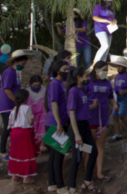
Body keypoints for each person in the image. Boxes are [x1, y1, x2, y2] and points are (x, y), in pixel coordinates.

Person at [66, 67, 101, 194]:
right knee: (77, 158)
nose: (88, 78)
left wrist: (93, 105)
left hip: (85, 126)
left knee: (93, 151)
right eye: (86, 76)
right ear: (79, 78)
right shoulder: (73, 91)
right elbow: (72, 114)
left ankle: (87, 181)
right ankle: (71, 188)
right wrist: (76, 135)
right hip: (77, 128)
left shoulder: (82, 90)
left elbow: (83, 107)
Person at [0, 50, 33, 161]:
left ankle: (11, 149)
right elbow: (7, 89)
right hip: (7, 105)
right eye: (22, 64)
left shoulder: (15, 73)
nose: (23, 66)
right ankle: (2, 152)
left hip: (12, 105)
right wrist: (16, 103)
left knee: (12, 128)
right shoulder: (10, 72)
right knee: (7, 128)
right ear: (16, 62)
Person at [86, 62, 117, 182]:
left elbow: (111, 97)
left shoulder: (108, 82)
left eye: (107, 70)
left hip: (103, 118)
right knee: (89, 146)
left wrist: (114, 105)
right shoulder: (87, 81)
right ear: (96, 70)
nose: (106, 72)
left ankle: (99, 173)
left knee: (101, 145)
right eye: (104, 69)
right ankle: (88, 175)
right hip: (90, 118)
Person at [45, 61, 70, 194]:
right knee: (59, 155)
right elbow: (54, 104)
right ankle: (60, 187)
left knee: (54, 156)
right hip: (55, 124)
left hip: (56, 123)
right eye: (64, 69)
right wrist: (59, 123)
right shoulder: (55, 83)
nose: (66, 71)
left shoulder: (60, 84)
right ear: (56, 70)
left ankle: (52, 184)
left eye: (67, 69)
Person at [7, 89, 39, 184]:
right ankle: (25, 177)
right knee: (25, 153)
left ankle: (14, 175)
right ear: (26, 99)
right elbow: (30, 121)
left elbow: (10, 123)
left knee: (15, 153)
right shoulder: (27, 108)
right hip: (24, 133)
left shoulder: (13, 109)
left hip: (15, 133)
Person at [110, 56, 127, 142]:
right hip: (117, 98)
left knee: (122, 115)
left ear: (124, 67)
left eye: (120, 66)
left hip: (125, 98)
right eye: (117, 66)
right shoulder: (117, 76)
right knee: (115, 116)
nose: (118, 68)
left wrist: (124, 92)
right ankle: (118, 134)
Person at [92, 0, 116, 67]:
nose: (110, 1)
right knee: (104, 45)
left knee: (106, 49)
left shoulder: (111, 9)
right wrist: (106, 20)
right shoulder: (98, 7)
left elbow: (113, 18)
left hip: (109, 30)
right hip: (100, 29)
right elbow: (94, 18)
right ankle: (94, 63)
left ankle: (101, 65)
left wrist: (115, 21)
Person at [26, 75, 47, 152]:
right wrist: (29, 116)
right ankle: (34, 146)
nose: (36, 87)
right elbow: (28, 104)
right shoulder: (27, 91)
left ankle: (42, 145)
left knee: (42, 129)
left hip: (43, 113)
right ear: (30, 84)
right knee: (34, 129)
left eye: (38, 85)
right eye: (34, 85)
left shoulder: (44, 89)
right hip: (32, 113)